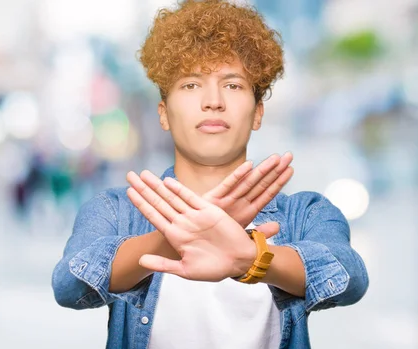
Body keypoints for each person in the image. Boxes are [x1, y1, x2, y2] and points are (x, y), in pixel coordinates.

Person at [51, 1, 369, 348]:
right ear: (164, 114)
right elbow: (69, 286)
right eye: (191, 85)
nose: (213, 101)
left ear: (258, 112)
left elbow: (349, 277)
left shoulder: (305, 213)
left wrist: (252, 257)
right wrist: (176, 237)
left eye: (232, 85)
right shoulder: (116, 210)